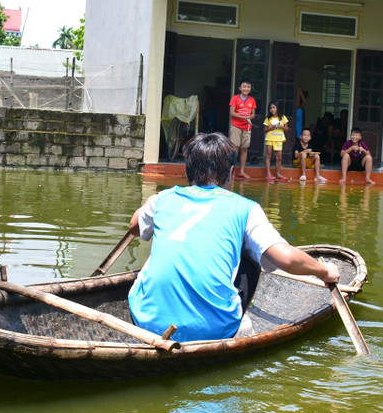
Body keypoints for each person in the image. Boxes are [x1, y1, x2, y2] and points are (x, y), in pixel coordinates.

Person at [127, 132, 341, 342]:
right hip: (212, 330)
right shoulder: (245, 208)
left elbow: (135, 228)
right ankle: (238, 322)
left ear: (187, 171)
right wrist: (324, 271)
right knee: (252, 256)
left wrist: (151, 203)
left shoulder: (163, 199)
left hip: (145, 321)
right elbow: (286, 258)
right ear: (231, 173)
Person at [228, 79, 256, 179]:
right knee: (234, 148)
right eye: (244, 87)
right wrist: (244, 118)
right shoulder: (235, 98)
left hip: (247, 127)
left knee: (244, 149)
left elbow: (253, 114)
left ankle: (242, 171)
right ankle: (231, 171)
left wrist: (249, 118)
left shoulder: (252, 100)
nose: (246, 89)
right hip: (236, 126)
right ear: (240, 88)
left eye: (248, 87)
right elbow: (232, 113)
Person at [263, 101, 289, 181]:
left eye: (274, 108)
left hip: (279, 139)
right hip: (270, 138)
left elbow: (286, 128)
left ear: (278, 108)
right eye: (270, 108)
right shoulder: (268, 118)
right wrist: (269, 128)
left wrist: (281, 126)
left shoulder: (283, 117)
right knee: (269, 155)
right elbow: (265, 130)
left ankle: (278, 173)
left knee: (279, 157)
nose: (272, 110)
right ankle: (268, 174)